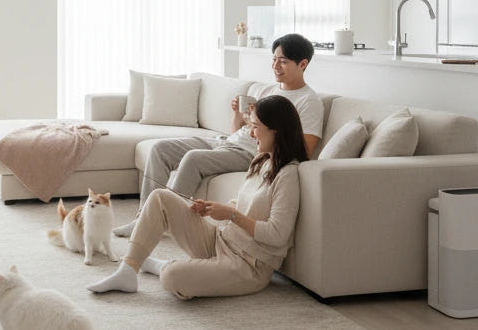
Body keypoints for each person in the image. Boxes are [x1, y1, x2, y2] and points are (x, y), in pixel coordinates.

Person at [87, 95, 308, 298]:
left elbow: (278, 235)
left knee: (172, 277)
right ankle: (127, 272)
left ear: (276, 131)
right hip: (221, 241)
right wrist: (215, 209)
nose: (250, 133)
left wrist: (231, 215)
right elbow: (243, 203)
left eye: (256, 127)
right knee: (160, 197)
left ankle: (160, 265)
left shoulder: (288, 175)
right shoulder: (262, 161)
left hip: (248, 265)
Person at [112, 33, 324, 238]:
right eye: (274, 59)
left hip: (251, 153)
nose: (275, 66)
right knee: (160, 149)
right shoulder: (268, 91)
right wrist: (239, 115)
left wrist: (263, 138)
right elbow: (238, 132)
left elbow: (303, 150)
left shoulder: (309, 101)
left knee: (193, 159)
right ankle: (143, 218)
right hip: (228, 142)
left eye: (283, 61)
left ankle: (159, 221)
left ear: (303, 64)